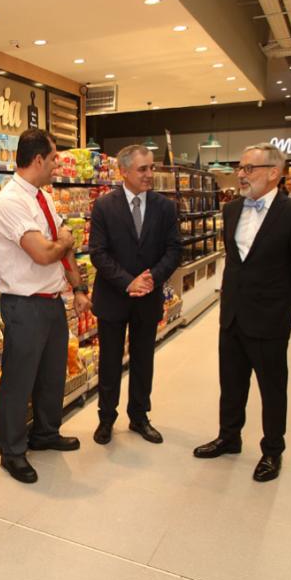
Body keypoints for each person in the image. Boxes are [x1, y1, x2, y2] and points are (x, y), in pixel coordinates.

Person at [193, 143, 291, 483]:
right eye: (240, 167)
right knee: (231, 383)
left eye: (250, 168)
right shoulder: (232, 210)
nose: (241, 174)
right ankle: (229, 437)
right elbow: (236, 263)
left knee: (272, 388)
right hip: (232, 315)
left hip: (270, 319)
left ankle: (272, 450)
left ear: (274, 172)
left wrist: (280, 305)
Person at [0, 129, 92, 484]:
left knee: (51, 374)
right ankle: (12, 452)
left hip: (52, 300)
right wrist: (63, 241)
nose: (56, 166)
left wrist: (79, 288)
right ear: (37, 160)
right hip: (24, 305)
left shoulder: (42, 197)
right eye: (53, 159)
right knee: (19, 380)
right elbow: (45, 253)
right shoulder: (10, 202)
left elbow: (64, 248)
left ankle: (46, 432)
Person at [88, 145, 182, 445]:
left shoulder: (165, 207)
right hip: (114, 296)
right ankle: (106, 418)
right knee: (110, 361)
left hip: (149, 296)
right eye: (143, 169)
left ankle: (139, 416)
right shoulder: (104, 206)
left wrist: (152, 278)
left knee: (143, 360)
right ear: (124, 171)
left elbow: (174, 249)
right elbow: (98, 253)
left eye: (151, 167)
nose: (149, 174)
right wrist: (129, 282)